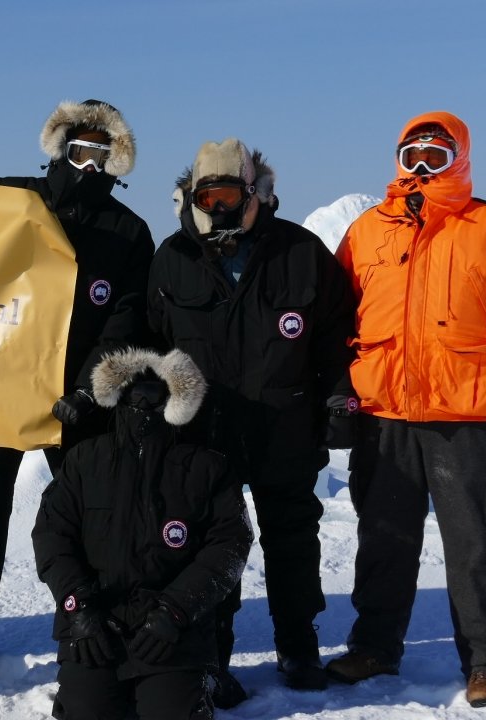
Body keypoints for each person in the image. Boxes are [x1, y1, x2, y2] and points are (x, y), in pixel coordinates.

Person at [324, 111, 486, 708]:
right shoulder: (366, 231)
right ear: (397, 160)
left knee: (475, 543)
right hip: (383, 411)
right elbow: (334, 316)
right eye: (412, 155)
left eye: (437, 153)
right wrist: (337, 391)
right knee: (383, 539)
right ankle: (376, 647)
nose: (423, 166)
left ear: (460, 157)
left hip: (465, 413)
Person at [133, 139, 356, 703]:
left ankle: (298, 644)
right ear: (190, 197)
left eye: (233, 193)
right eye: (210, 195)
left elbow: (338, 339)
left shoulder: (301, 253)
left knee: (292, 537)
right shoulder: (172, 259)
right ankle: (213, 654)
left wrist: (339, 398)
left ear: (258, 192)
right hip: (204, 431)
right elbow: (152, 343)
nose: (222, 207)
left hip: (286, 424)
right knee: (212, 544)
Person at [0, 99, 156, 676]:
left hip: (77, 401)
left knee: (93, 515)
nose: (89, 163)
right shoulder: (13, 200)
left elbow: (123, 321)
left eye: (102, 154)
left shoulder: (128, 233)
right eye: (80, 149)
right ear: (60, 148)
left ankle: (99, 617)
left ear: (118, 160)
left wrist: (90, 391)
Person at [32, 347, 252, 720]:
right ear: (117, 396)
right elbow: (52, 537)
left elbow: (230, 546)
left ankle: (200, 685)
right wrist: (78, 607)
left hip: (172, 628)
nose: (144, 405)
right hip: (96, 623)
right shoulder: (85, 460)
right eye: (135, 396)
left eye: (156, 396)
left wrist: (176, 611)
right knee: (87, 712)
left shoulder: (206, 467)